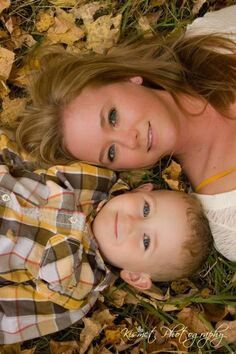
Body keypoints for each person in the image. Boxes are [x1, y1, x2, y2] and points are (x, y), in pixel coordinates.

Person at [15, 5, 236, 262]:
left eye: (113, 117)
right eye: (111, 152)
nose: (129, 140)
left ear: (126, 77)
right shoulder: (228, 222)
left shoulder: (215, 38)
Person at [0, 130, 212, 344]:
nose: (131, 223)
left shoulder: (74, 295)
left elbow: (10, 316)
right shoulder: (94, 177)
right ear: (140, 190)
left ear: (135, 277)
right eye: (145, 210)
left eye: (146, 241)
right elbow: (32, 153)